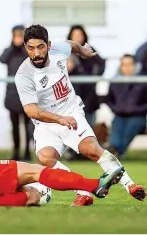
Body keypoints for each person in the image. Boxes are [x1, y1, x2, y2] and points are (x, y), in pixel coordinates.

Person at [14, 24, 146, 206]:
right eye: (30, 48)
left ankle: (130, 185)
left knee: (91, 150)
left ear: (49, 45)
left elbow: (71, 44)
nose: (36, 53)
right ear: (26, 48)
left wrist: (82, 50)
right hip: (46, 122)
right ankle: (83, 192)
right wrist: (59, 119)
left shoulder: (59, 50)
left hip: (71, 112)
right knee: (45, 159)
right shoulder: (24, 75)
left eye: (40, 47)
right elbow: (31, 110)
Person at [0, 25, 33, 161]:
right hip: (12, 94)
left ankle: (27, 151)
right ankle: (16, 151)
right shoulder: (10, 51)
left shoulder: (29, 51)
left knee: (28, 126)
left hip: (27, 93)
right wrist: (13, 46)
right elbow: (2, 59)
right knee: (14, 127)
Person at [107, 54, 147, 157]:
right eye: (124, 64)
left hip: (138, 116)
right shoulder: (115, 81)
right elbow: (109, 99)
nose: (127, 67)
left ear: (135, 65)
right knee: (116, 129)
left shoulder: (143, 80)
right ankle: (114, 150)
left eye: (129, 64)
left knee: (130, 129)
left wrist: (139, 109)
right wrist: (116, 109)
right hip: (120, 115)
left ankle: (115, 152)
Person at [66, 25, 105, 127]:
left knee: (88, 129)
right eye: (75, 35)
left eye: (80, 34)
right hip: (71, 97)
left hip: (89, 97)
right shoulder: (66, 52)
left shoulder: (89, 49)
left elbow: (101, 65)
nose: (77, 37)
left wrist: (92, 77)